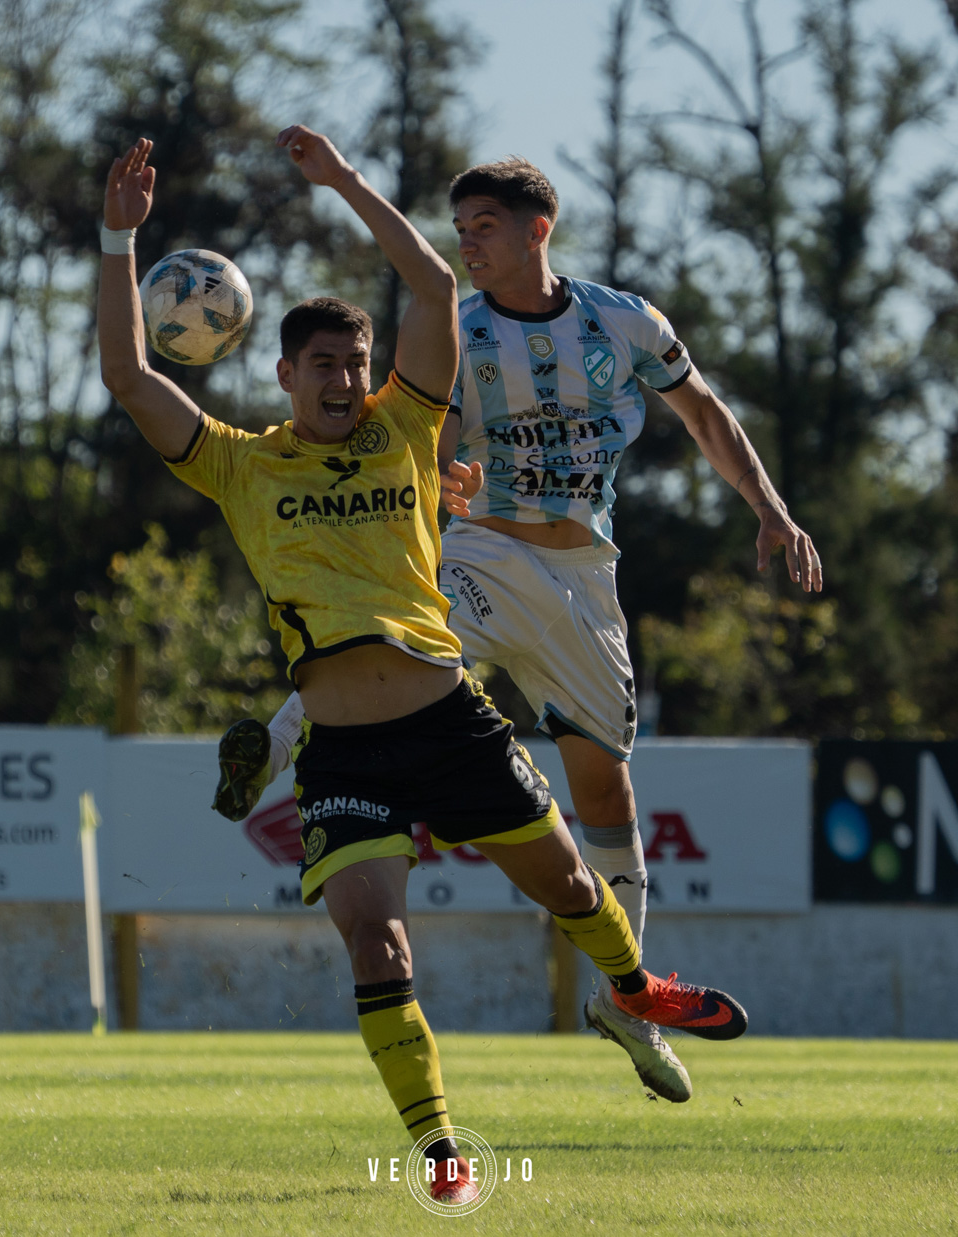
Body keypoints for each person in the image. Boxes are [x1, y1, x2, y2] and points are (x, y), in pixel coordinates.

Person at [98, 129, 748, 1203]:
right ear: (282, 373)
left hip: (453, 726)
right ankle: (443, 1148)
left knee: (575, 885)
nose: (347, 380)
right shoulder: (238, 463)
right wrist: (120, 238)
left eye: (358, 363)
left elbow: (433, 281)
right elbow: (128, 373)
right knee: (377, 946)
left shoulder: (409, 427)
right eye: (325, 366)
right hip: (347, 750)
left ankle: (637, 988)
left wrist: (346, 181)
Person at [213, 156, 816, 1102]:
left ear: (540, 227)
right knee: (403, 638)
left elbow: (703, 411)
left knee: (606, 789)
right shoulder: (462, 331)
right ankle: (276, 742)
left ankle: (625, 999)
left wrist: (770, 509)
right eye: (461, 226)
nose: (469, 239)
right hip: (480, 553)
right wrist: (440, 475)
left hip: (583, 574)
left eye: (485, 223)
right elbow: (404, 437)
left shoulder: (626, 320)